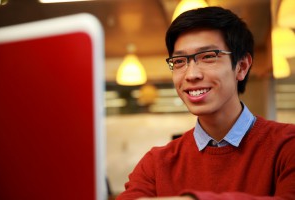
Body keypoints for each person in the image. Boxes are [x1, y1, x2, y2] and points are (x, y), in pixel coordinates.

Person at [116, 6, 295, 200]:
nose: (191, 74)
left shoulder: (287, 146)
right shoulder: (156, 164)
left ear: (242, 66)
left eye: (208, 57)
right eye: (179, 61)